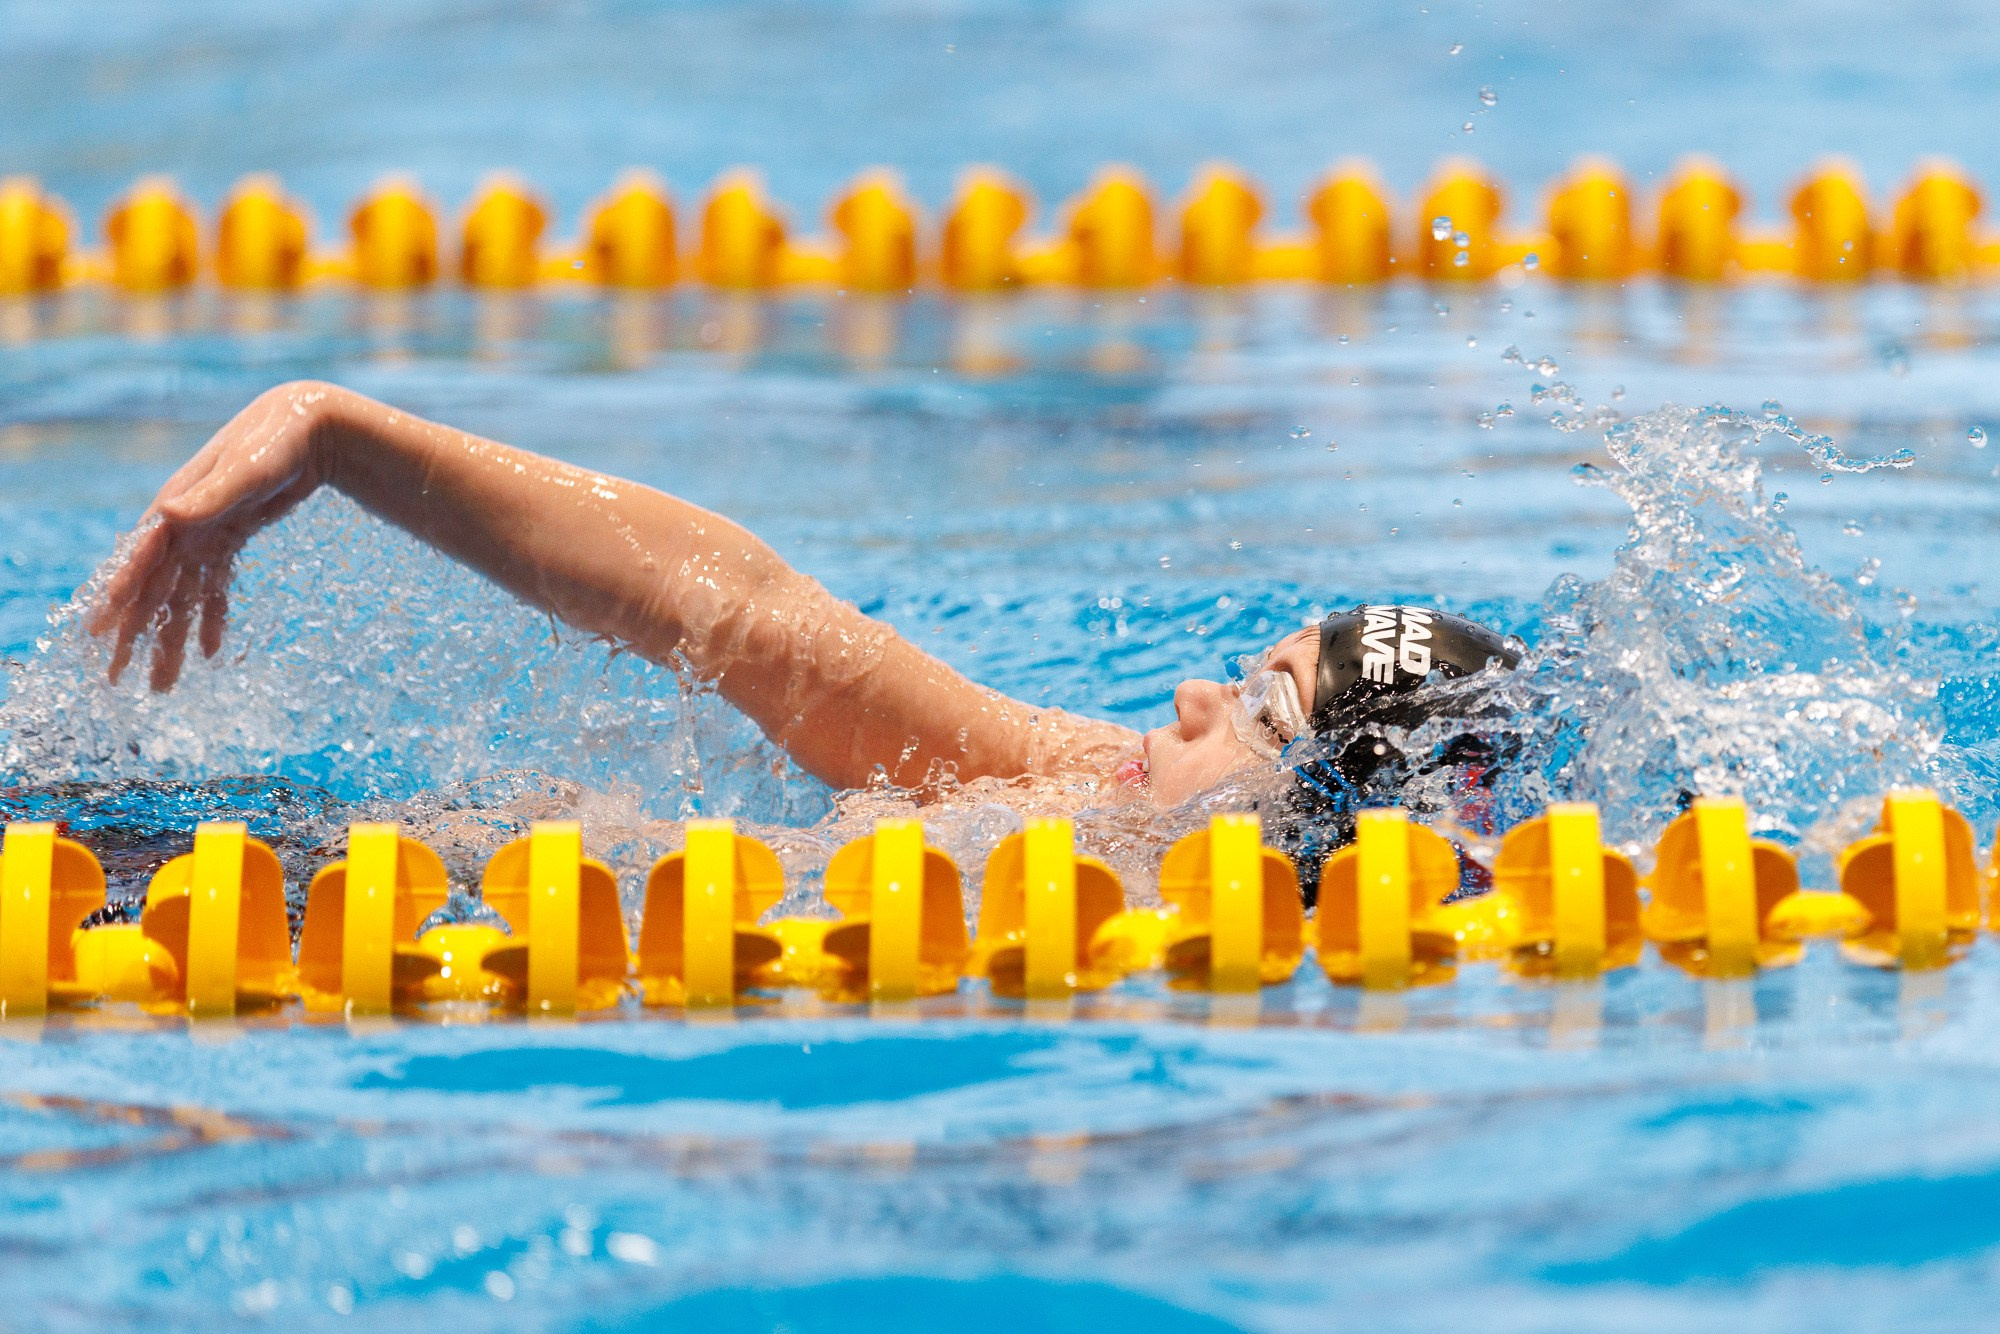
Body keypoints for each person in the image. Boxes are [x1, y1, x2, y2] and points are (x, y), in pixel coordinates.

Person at [85, 381, 1520, 827]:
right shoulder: (1082, 785)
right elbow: (755, 623)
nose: (1193, 698)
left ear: (1323, 820)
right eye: (1239, 669)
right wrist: (341, 436)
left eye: (1261, 710)